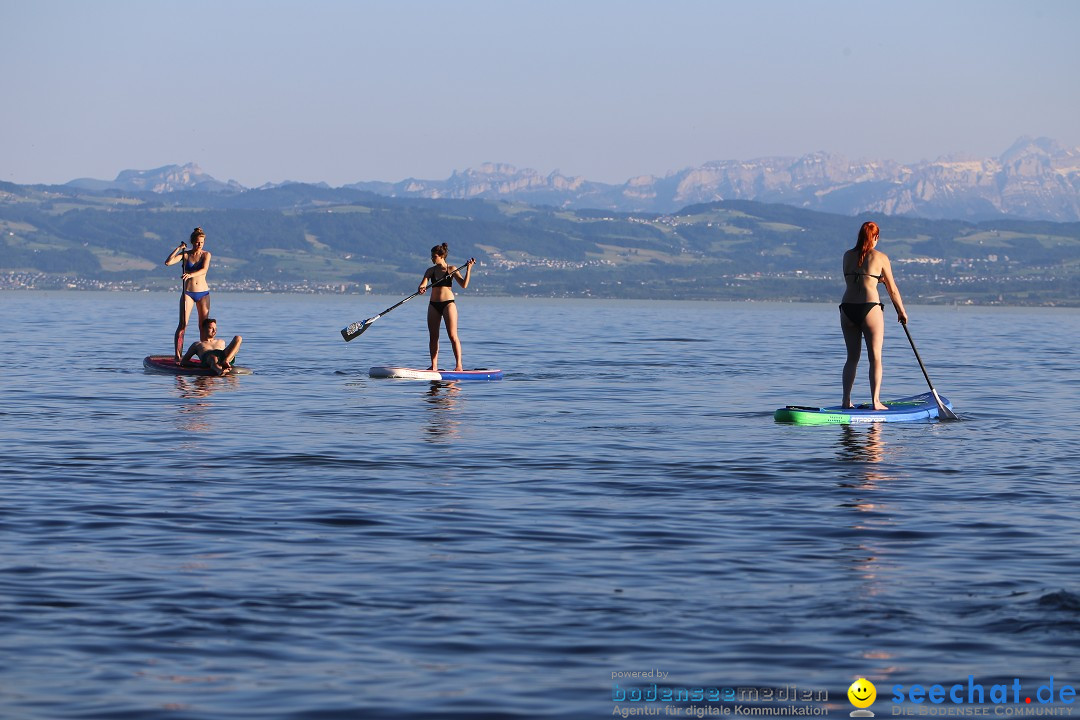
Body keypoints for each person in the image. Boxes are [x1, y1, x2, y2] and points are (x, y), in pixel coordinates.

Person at [840, 221, 908, 410]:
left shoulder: (847, 256)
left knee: (852, 358)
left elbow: (857, 278)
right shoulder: (880, 257)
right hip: (869, 308)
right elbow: (893, 290)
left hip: (846, 309)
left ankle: (846, 400)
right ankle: (876, 401)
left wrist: (876, 279)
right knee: (875, 357)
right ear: (875, 237)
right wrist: (901, 311)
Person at [417, 243, 475, 371]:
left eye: (435, 256)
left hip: (448, 304)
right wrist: (421, 288)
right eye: (432, 256)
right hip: (433, 305)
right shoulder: (430, 271)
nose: (432, 259)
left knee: (453, 335)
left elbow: (464, 285)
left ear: (442, 256)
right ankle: (434, 365)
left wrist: (469, 268)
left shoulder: (451, 269)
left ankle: (459, 365)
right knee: (433, 336)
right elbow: (423, 284)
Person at [165, 227, 213, 362]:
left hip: (203, 293)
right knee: (183, 324)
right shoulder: (186, 255)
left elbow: (204, 270)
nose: (200, 245)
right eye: (197, 242)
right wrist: (179, 248)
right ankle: (178, 355)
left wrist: (190, 274)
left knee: (203, 326)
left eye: (202, 242)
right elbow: (168, 262)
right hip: (188, 293)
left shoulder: (206, 255)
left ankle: (205, 355)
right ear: (193, 242)